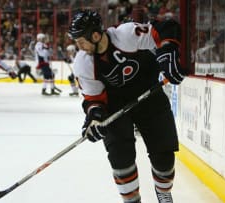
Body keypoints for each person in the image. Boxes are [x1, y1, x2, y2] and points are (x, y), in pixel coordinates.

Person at [68, 10, 186, 203]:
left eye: (81, 40)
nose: (78, 46)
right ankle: (132, 201)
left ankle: (163, 193)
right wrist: (95, 118)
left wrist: (168, 53)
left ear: (95, 35)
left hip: (149, 94)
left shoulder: (126, 34)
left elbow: (165, 28)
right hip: (114, 105)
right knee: (120, 157)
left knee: (163, 155)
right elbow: (93, 98)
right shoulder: (83, 62)